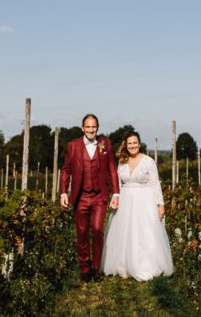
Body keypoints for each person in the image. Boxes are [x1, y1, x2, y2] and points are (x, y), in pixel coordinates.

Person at [100, 131, 174, 280]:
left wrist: (161, 205)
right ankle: (124, 265)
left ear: (139, 144)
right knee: (125, 233)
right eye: (129, 143)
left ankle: (144, 265)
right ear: (125, 145)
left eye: (135, 143)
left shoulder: (148, 161)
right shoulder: (122, 161)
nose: (132, 146)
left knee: (144, 234)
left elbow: (155, 184)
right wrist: (116, 198)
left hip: (145, 201)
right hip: (126, 201)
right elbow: (118, 184)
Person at [59, 113, 121, 282]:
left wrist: (116, 192)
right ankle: (84, 267)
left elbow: (112, 168)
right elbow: (66, 170)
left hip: (99, 196)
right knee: (82, 232)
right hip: (80, 196)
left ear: (97, 128)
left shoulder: (104, 143)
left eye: (94, 127)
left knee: (97, 230)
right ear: (82, 128)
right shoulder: (73, 146)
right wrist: (63, 192)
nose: (91, 130)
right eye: (88, 127)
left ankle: (96, 268)